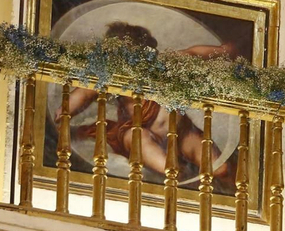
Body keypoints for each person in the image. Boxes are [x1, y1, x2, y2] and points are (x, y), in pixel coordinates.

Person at [63, 22, 239, 184]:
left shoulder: (162, 63)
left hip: (181, 133)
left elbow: (194, 53)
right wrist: (64, 111)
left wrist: (224, 51)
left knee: (221, 169)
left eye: (134, 50)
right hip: (141, 133)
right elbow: (84, 93)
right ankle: (174, 170)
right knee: (146, 145)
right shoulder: (114, 75)